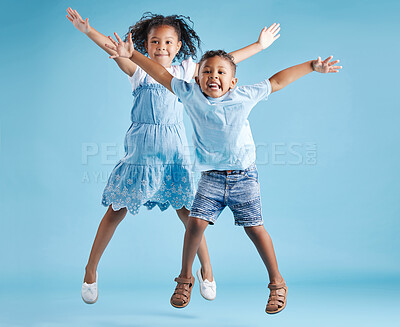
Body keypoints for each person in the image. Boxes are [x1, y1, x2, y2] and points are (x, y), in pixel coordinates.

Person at [106, 33, 341, 314]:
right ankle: (185, 278)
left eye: (221, 72)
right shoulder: (189, 94)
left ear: (233, 82)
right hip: (211, 179)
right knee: (194, 225)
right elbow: (158, 73)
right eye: (206, 71)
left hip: (244, 177)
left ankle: (277, 283)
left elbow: (277, 81)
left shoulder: (244, 95)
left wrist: (311, 67)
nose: (213, 76)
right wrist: (132, 55)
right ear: (196, 78)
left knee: (255, 229)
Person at [66, 7, 281, 304]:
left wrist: (259, 46)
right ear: (145, 45)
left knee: (190, 214)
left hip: (174, 150)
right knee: (117, 209)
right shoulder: (138, 69)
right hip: (141, 150)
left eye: (168, 42)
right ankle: (90, 271)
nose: (161, 47)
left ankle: (206, 271)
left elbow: (221, 64)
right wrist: (87, 31)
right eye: (155, 42)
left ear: (178, 46)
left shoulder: (184, 72)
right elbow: (114, 48)